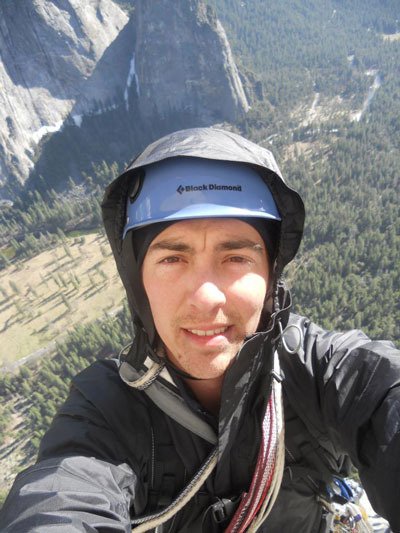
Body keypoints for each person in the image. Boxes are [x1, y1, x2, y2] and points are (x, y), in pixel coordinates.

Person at [0, 127, 399, 533]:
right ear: (139, 281)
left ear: (270, 275)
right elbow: (59, 500)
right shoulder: (105, 410)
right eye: (173, 258)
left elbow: (386, 397)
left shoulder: (321, 370)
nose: (206, 297)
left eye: (237, 257)